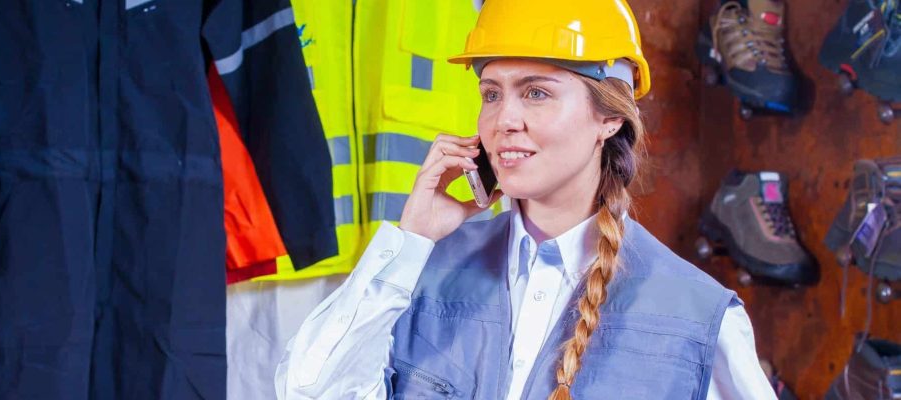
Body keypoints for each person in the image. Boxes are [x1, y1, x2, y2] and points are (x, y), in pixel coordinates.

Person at [275, 0, 777, 398]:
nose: (503, 120)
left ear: (609, 117)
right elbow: (306, 391)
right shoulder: (417, 275)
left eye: (536, 92)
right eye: (491, 93)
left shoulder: (696, 319)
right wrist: (411, 241)